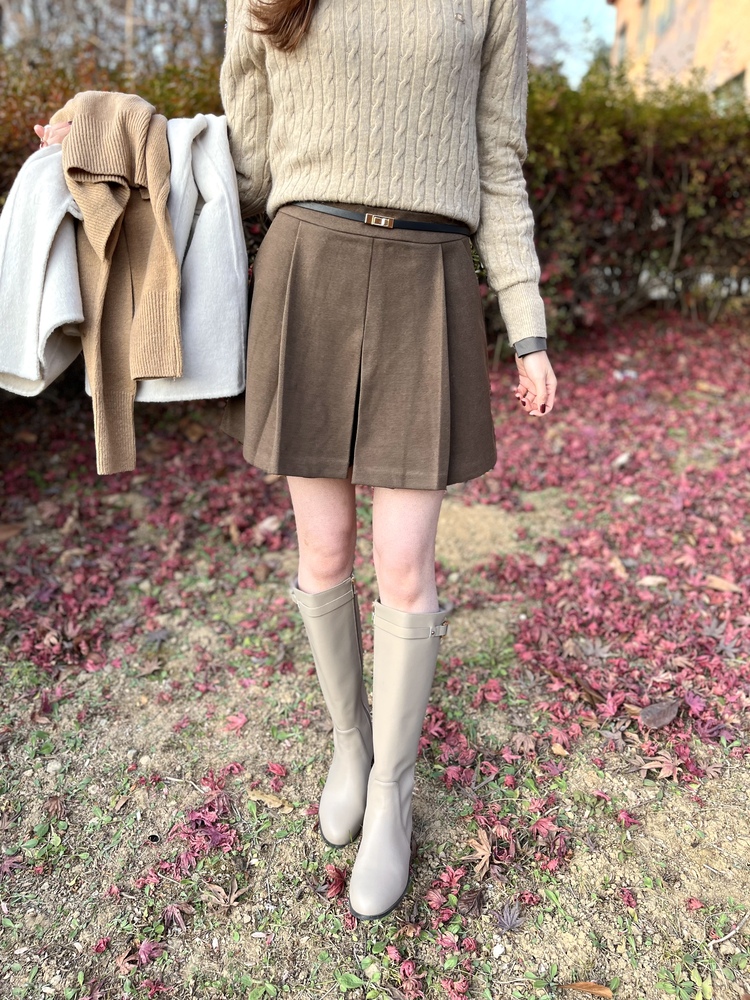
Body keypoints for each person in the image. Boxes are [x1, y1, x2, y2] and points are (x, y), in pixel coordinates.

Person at [36, 0, 557, 921]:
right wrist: (106, 129)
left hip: (430, 275)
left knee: (404, 563)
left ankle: (391, 795)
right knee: (323, 551)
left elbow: (497, 161)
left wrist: (528, 327)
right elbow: (243, 161)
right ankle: (350, 746)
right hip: (308, 268)